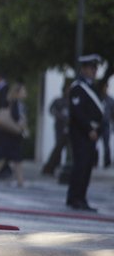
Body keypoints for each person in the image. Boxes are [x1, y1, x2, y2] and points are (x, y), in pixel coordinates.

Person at [66, 54, 105, 211]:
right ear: (83, 69)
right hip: (81, 133)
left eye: (95, 68)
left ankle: (81, 197)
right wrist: (89, 129)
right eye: (91, 68)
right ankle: (74, 198)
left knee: (87, 166)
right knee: (80, 166)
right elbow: (78, 112)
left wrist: (97, 130)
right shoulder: (77, 87)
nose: (94, 71)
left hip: (92, 133)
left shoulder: (92, 87)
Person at [0, 82, 28, 187]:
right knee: (10, 159)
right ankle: (19, 181)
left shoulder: (13, 103)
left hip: (10, 135)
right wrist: (21, 124)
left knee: (9, 159)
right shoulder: (15, 104)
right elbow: (16, 118)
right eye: (23, 91)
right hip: (11, 135)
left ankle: (19, 181)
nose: (25, 93)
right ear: (17, 93)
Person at [41, 82, 70, 176]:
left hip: (69, 128)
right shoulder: (58, 101)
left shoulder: (72, 101)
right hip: (60, 127)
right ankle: (51, 167)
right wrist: (59, 115)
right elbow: (51, 110)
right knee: (58, 147)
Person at [98, 79, 113, 169]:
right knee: (92, 144)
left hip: (106, 124)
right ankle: (93, 162)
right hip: (96, 125)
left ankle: (107, 162)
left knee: (106, 144)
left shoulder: (110, 100)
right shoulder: (97, 98)